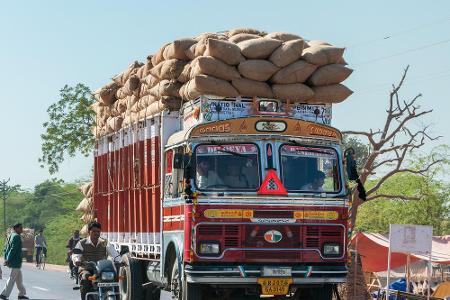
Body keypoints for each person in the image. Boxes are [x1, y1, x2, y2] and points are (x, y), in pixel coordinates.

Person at [72, 221, 122, 300]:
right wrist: (77, 260)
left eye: (98, 231)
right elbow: (76, 255)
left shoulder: (104, 242)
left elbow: (114, 253)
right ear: (89, 232)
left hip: (101, 269)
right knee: (85, 279)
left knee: (116, 279)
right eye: (94, 231)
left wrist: (120, 260)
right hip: (87, 268)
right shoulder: (82, 243)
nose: (96, 233)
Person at [0, 223, 29, 300]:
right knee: (12, 278)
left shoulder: (11, 235)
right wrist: (8, 259)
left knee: (19, 278)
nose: (22, 229)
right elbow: (13, 249)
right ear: (15, 228)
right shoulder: (16, 237)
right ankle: (4, 294)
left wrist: (6, 257)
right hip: (15, 261)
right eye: (20, 228)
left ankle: (21, 294)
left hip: (14, 261)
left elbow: (5, 248)